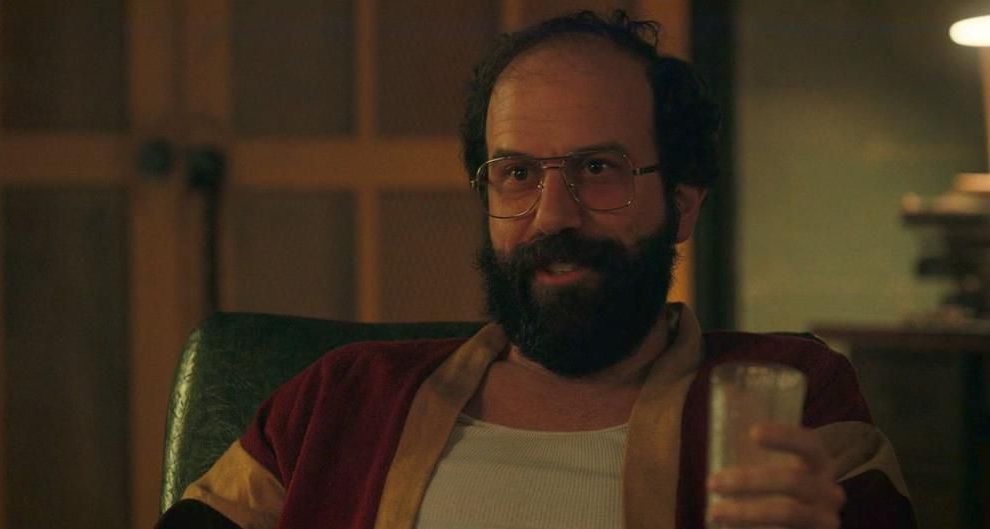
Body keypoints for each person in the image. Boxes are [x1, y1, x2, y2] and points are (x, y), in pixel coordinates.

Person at [157, 10, 915, 529]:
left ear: (681, 206)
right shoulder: (338, 399)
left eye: (598, 167)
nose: (553, 215)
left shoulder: (786, 399)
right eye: (516, 173)